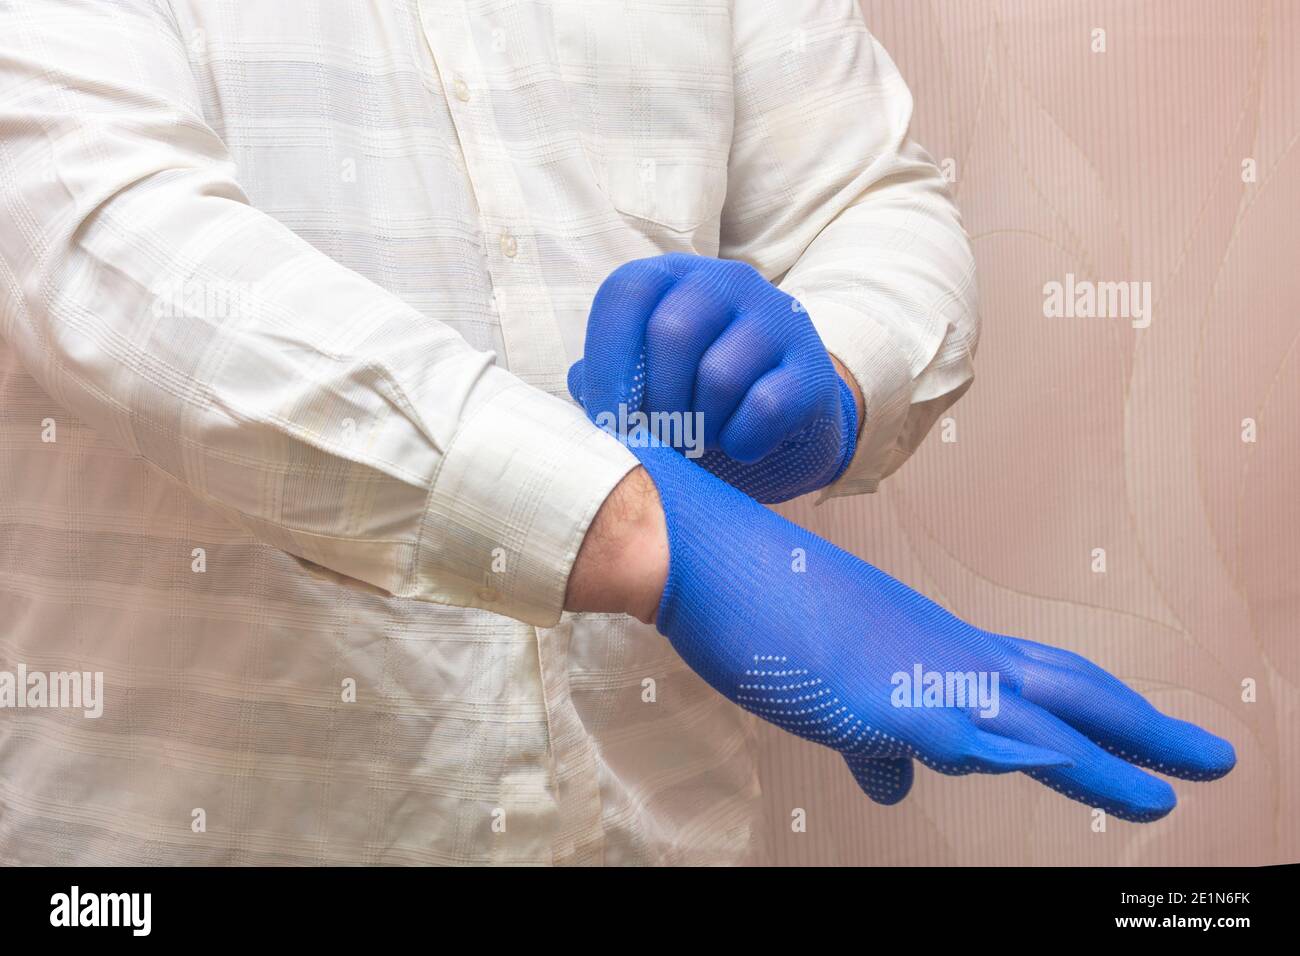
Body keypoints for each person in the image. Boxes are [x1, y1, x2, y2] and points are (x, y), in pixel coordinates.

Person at [0, 0, 1232, 866]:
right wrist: (657, 531)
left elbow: (871, 194)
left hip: (659, 830)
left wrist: (832, 374)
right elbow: (109, 246)